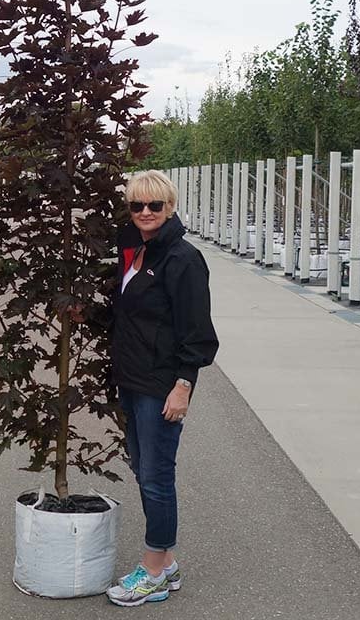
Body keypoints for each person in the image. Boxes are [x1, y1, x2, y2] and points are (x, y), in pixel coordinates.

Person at [106, 169, 219, 607]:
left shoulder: (182, 259)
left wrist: (183, 385)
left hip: (161, 385)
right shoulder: (135, 251)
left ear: (170, 207)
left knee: (156, 477)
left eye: (155, 205)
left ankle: (152, 572)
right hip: (132, 379)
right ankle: (166, 564)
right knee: (142, 469)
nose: (146, 212)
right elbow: (131, 315)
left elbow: (198, 332)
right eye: (138, 205)